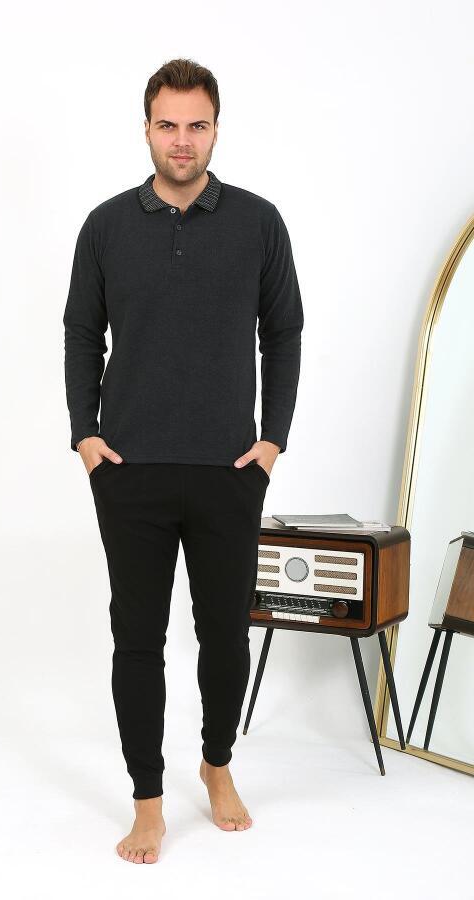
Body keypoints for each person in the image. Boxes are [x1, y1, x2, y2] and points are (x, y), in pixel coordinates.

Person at [62, 57, 304, 864]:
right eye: (168, 124)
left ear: (215, 131)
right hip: (128, 469)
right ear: (146, 129)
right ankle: (148, 801)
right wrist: (85, 435)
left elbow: (285, 330)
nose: (182, 140)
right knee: (138, 639)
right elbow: (80, 331)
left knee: (224, 636)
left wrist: (273, 441)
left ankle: (217, 763)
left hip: (229, 469)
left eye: (197, 125)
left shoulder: (259, 222)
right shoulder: (105, 226)